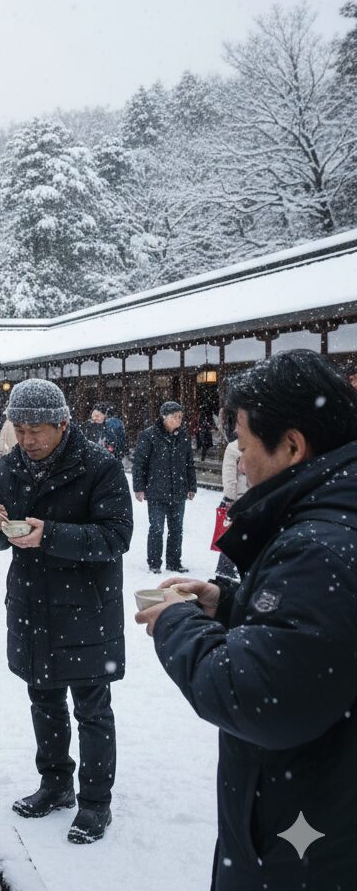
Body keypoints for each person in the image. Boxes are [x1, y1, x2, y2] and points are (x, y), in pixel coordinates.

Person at [135, 349, 357, 890]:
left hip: (303, 838)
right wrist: (228, 603)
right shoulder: (330, 522)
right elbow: (319, 638)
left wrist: (177, 622)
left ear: (292, 446)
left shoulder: (317, 546)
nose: (238, 455)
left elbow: (256, 694)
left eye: (243, 440)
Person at [0, 378, 132, 845]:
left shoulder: (101, 467)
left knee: (92, 709)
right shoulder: (11, 464)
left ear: (63, 424)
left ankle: (95, 803)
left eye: (36, 430)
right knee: (43, 701)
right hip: (30, 605)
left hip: (86, 609)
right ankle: (55, 783)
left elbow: (115, 537)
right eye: (19, 429)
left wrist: (50, 534)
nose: (27, 440)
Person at [133, 400, 197, 574]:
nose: (179, 420)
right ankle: (154, 563)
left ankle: (174, 562)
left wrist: (192, 485)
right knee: (157, 528)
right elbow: (139, 463)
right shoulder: (149, 435)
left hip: (179, 490)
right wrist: (139, 487)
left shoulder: (183, 435)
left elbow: (189, 462)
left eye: (180, 417)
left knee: (177, 529)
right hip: (156, 491)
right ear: (164, 418)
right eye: (175, 417)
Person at [215, 426, 247, 580]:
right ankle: (225, 568)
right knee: (233, 534)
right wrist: (229, 497)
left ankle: (229, 567)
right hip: (239, 497)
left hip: (248, 495)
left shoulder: (249, 447)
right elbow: (229, 475)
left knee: (238, 534)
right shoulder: (233, 448)